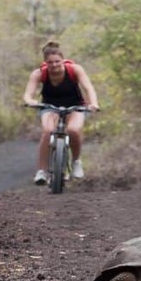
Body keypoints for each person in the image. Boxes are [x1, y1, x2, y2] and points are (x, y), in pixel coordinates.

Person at [23, 41, 100, 185]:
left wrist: (93, 103)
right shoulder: (39, 74)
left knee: (73, 129)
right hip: (49, 106)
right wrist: (30, 101)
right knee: (48, 130)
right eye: (50, 62)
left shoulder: (75, 70)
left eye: (57, 61)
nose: (54, 65)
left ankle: (76, 161)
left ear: (63, 60)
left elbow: (88, 88)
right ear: (45, 62)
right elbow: (28, 94)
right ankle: (42, 171)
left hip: (75, 106)